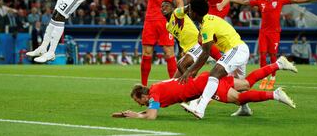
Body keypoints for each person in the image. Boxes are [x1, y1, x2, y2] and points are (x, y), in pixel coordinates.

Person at [112, 56, 297, 120]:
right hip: (205, 78)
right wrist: (131, 114)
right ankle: (278, 64)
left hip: (205, 84)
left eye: (138, 101)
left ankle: (275, 94)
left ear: (143, 95)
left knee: (239, 99)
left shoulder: (155, 94)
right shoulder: (156, 88)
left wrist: (136, 116)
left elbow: (151, 115)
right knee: (246, 84)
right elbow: (151, 110)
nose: (140, 104)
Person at [231, 0, 317, 90]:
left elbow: (296, 0)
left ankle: (273, 78)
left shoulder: (280, 0)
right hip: (263, 33)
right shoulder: (260, 1)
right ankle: (264, 78)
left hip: (274, 33)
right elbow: (244, 2)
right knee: (262, 55)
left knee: (273, 56)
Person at [176, 0, 250, 119]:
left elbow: (206, 53)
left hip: (237, 49)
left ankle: (199, 109)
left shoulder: (207, 25)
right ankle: (245, 108)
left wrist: (190, 71)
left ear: (194, 12)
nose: (188, 12)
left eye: (189, 10)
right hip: (238, 50)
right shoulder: (206, 22)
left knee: (214, 74)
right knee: (239, 84)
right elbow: (205, 51)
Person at [117, 0, 184, 86]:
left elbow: (179, 1)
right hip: (150, 22)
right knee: (147, 53)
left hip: (166, 23)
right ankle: (143, 85)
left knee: (169, 53)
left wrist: (179, 17)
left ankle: (174, 86)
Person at [160, 0, 222, 77]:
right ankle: (191, 83)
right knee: (176, 80)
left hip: (197, 44)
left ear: (173, 8)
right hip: (188, 50)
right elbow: (177, 38)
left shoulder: (176, 13)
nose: (164, 8)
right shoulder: (167, 26)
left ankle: (193, 85)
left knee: (181, 65)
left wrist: (199, 2)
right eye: (162, 6)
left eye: (166, 5)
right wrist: (181, 51)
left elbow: (189, 7)